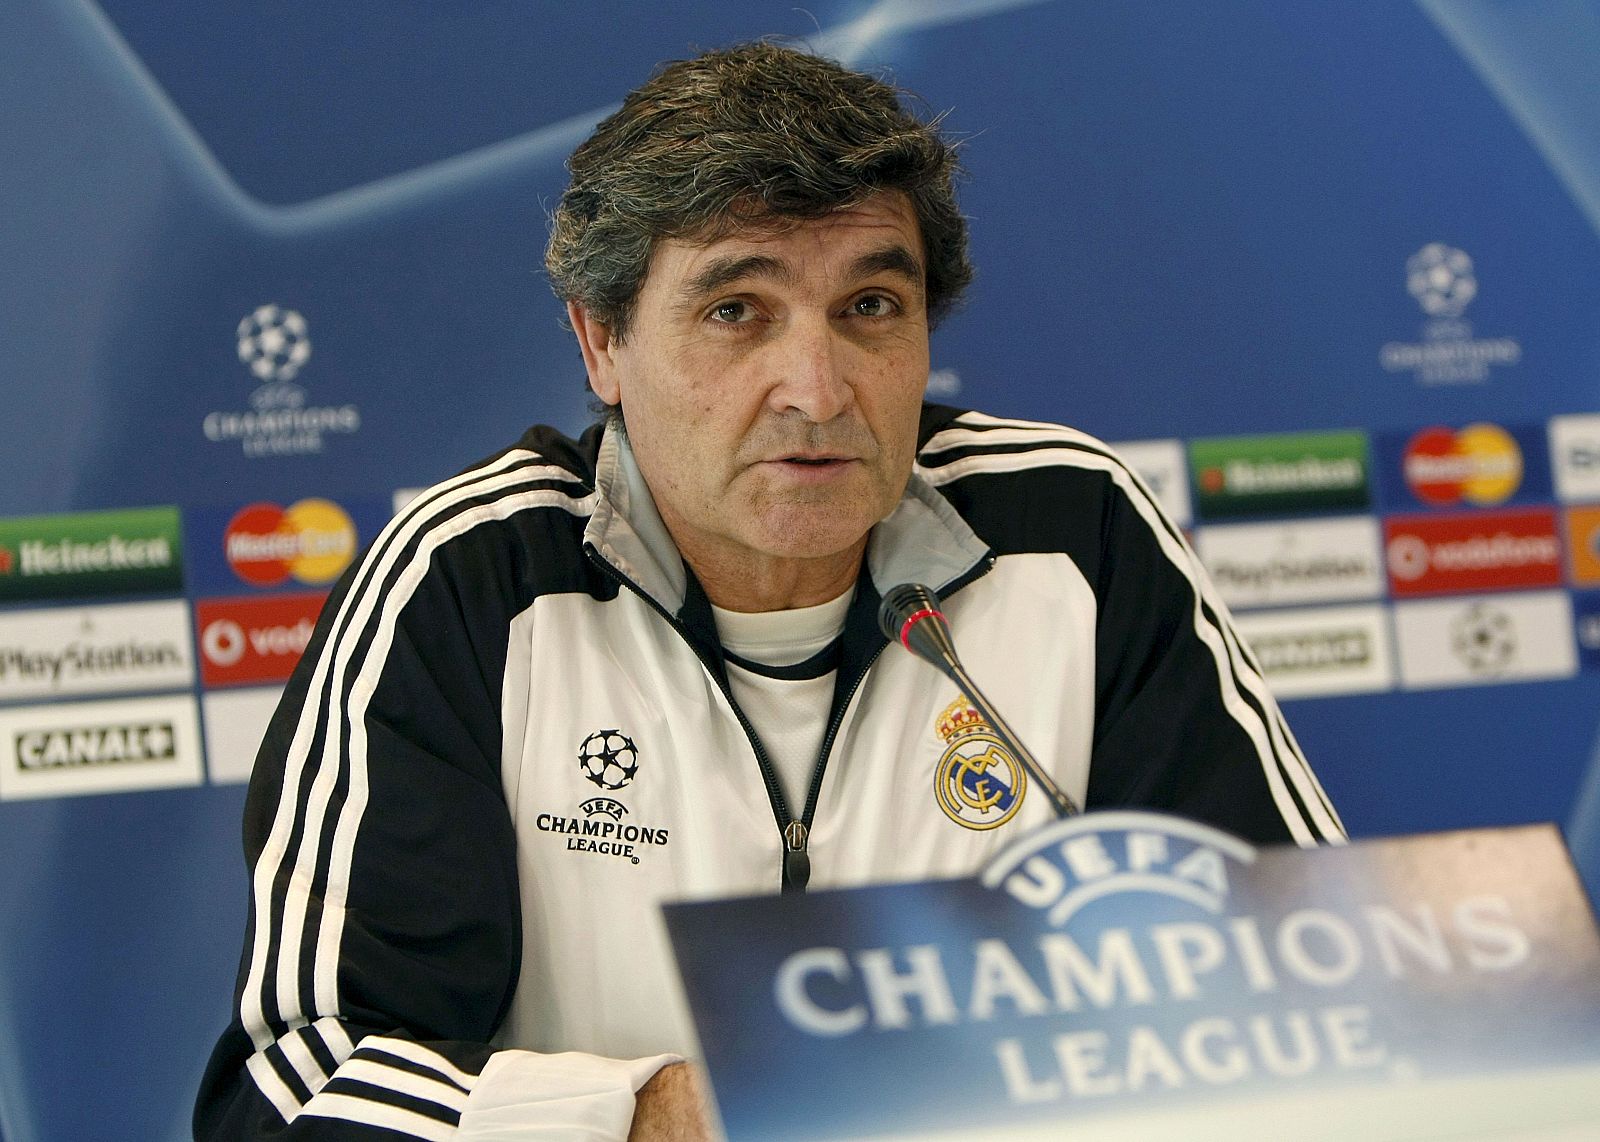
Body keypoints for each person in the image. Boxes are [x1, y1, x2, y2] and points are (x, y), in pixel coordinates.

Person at [194, 40, 1344, 1142]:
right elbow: (292, 1089)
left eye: (870, 308)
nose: (816, 386)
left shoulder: (1073, 534)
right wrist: (664, 1115)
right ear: (602, 343)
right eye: (736, 310)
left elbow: (1313, 991)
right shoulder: (469, 582)